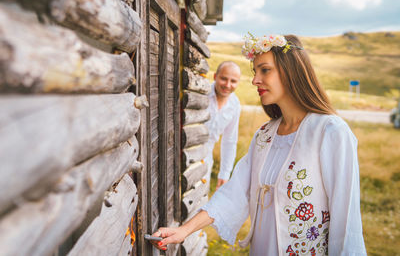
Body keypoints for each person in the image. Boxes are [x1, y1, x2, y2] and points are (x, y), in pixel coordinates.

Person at [151, 34, 367, 255]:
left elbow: (346, 222)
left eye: (265, 70)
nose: (255, 80)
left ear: (291, 71)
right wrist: (184, 231)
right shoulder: (264, 135)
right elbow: (235, 192)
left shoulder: (330, 131)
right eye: (255, 72)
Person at [204, 61, 241, 190]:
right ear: (215, 77)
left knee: (199, 201)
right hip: (184, 154)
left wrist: (225, 173)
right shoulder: (201, 94)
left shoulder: (235, 105)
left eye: (233, 81)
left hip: (206, 159)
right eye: (224, 79)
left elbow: (229, 141)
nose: (228, 85)